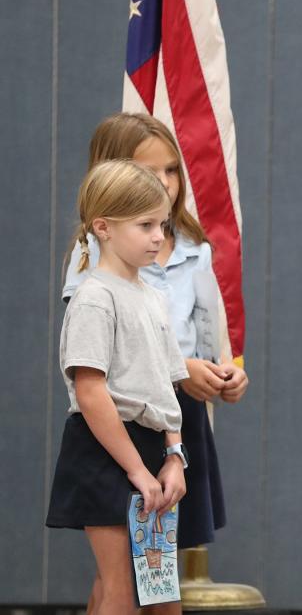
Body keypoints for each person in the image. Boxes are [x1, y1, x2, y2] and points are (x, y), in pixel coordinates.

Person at [62, 113, 248, 558]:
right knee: (123, 575)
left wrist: (224, 372)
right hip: (125, 414)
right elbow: (101, 360)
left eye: (171, 170)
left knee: (158, 569)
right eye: (150, 171)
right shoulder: (94, 269)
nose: (165, 182)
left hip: (177, 419)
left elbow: (203, 326)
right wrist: (180, 369)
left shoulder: (193, 247)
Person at [46, 160, 189, 615]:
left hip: (150, 451)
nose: (157, 236)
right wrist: (136, 470)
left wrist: (173, 456)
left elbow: (167, 388)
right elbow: (91, 392)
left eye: (162, 224)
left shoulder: (153, 297)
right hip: (106, 450)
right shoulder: (94, 297)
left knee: (160, 591)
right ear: (103, 227)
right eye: (145, 224)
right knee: (121, 589)